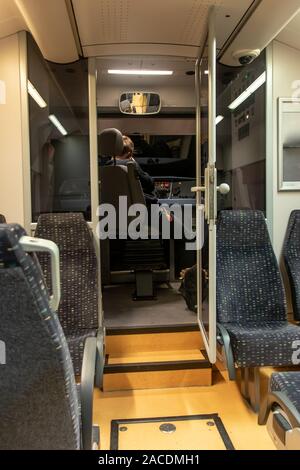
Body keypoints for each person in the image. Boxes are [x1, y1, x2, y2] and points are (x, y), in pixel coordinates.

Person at [106, 135, 157, 206]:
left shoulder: (106, 167)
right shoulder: (131, 166)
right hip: (137, 209)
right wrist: (134, 162)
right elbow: (149, 183)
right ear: (129, 153)